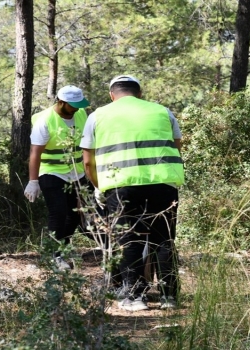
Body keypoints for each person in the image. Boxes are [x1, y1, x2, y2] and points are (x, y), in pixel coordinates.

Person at [79, 75, 184, 311]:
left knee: (130, 241)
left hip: (121, 186)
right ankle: (169, 297)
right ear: (140, 93)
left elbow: (87, 162)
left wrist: (99, 187)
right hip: (163, 183)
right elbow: (176, 146)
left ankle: (135, 298)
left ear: (112, 95)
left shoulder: (97, 116)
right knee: (163, 239)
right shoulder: (163, 112)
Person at [24, 85, 92, 271]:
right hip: (51, 172)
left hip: (76, 172)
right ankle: (54, 256)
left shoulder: (81, 114)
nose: (76, 108)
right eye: (72, 105)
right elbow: (35, 153)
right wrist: (33, 181)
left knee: (74, 215)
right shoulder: (45, 120)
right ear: (61, 102)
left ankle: (62, 248)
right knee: (58, 212)